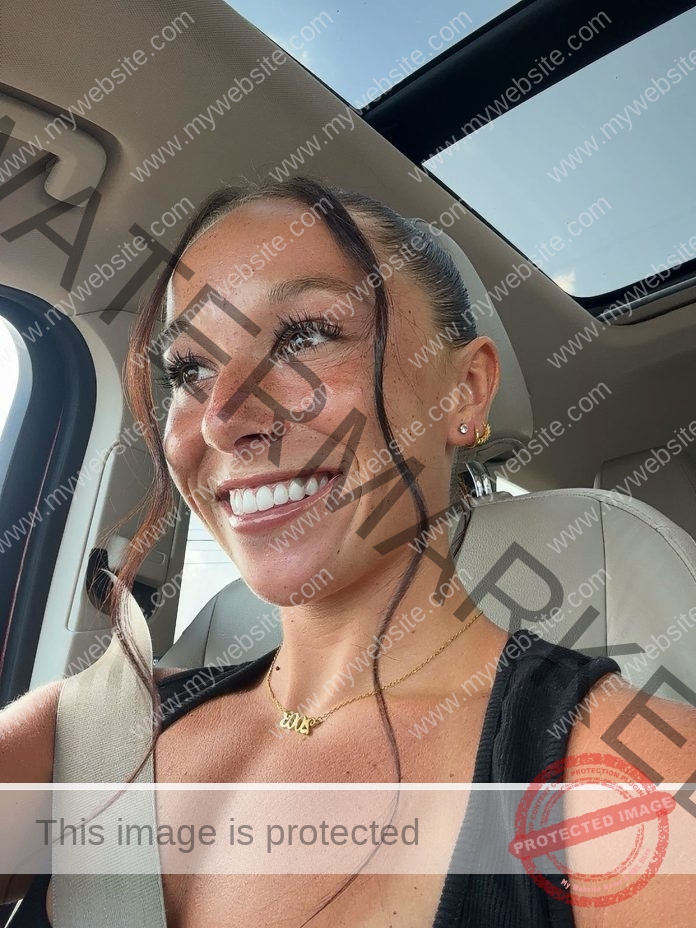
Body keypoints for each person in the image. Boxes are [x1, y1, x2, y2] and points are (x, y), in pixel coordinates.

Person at [2, 176, 695, 927]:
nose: (225, 417)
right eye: (190, 371)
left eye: (305, 335)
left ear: (465, 391)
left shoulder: (631, 783)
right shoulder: (89, 730)